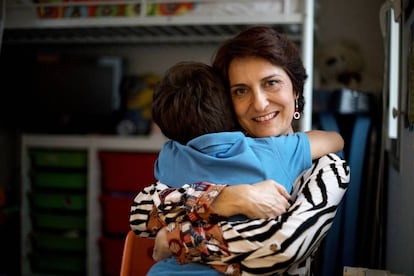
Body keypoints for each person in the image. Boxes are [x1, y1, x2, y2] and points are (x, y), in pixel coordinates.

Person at [130, 26, 350, 275]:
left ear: (296, 90)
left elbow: (280, 247)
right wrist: (227, 199)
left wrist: (176, 240)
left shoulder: (327, 169)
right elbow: (140, 213)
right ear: (226, 99)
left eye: (272, 83)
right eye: (241, 91)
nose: (259, 103)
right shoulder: (226, 149)